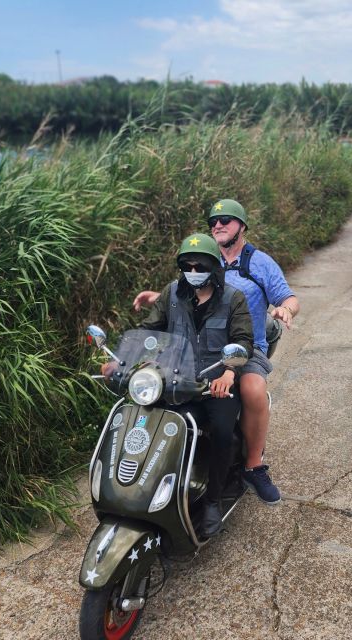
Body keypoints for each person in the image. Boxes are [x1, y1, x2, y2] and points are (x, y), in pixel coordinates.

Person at [133, 200, 300, 506]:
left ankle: (253, 466)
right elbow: (189, 292)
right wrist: (160, 298)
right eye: (213, 222)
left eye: (225, 219)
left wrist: (284, 310)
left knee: (251, 387)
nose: (218, 225)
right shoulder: (206, 256)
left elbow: (288, 297)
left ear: (242, 226)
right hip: (201, 348)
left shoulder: (259, 263)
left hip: (245, 346)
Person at [105, 233, 254, 537]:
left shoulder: (232, 298)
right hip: (176, 379)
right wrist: (121, 362)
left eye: (200, 265)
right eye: (188, 264)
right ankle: (142, 485)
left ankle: (213, 500)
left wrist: (229, 373)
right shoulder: (172, 293)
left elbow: (242, 341)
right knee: (143, 418)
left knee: (223, 432)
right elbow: (149, 330)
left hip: (214, 385)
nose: (194, 270)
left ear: (214, 267)